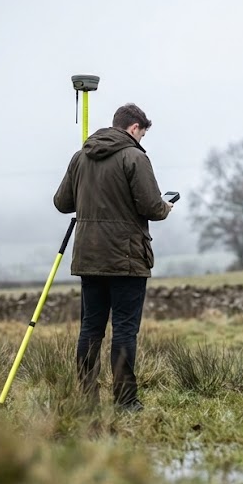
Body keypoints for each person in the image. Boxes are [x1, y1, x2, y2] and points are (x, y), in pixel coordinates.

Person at [53, 103, 173, 411]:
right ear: (134, 128)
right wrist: (165, 206)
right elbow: (151, 207)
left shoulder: (81, 156)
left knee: (90, 328)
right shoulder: (135, 157)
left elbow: (62, 203)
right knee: (124, 328)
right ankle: (125, 401)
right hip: (127, 258)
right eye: (142, 134)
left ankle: (86, 399)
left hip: (89, 257)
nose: (141, 139)